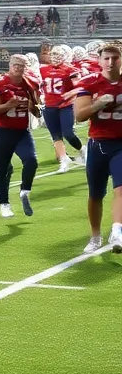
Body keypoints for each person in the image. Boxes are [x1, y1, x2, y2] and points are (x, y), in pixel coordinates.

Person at [74, 42, 122, 252]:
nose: (110, 62)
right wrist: (98, 104)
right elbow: (80, 115)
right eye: (106, 58)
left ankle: (117, 230)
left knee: (121, 189)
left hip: (121, 144)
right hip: (98, 144)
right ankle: (95, 236)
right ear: (99, 60)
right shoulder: (90, 82)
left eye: (115, 58)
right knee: (95, 194)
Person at [0, 55, 41, 218]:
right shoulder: (0, 82)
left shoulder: (31, 83)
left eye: (21, 65)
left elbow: (38, 109)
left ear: (26, 67)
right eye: (15, 64)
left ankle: (24, 191)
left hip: (22, 131)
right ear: (10, 65)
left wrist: (34, 107)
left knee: (31, 160)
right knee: (0, 172)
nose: (18, 68)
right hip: (2, 131)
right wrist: (8, 105)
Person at [40, 45, 86, 174]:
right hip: (49, 106)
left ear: (65, 55)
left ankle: (82, 150)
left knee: (68, 133)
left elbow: (81, 87)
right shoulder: (43, 69)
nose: (55, 57)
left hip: (66, 105)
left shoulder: (70, 70)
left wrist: (70, 94)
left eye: (58, 54)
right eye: (53, 54)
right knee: (56, 136)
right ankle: (64, 161)